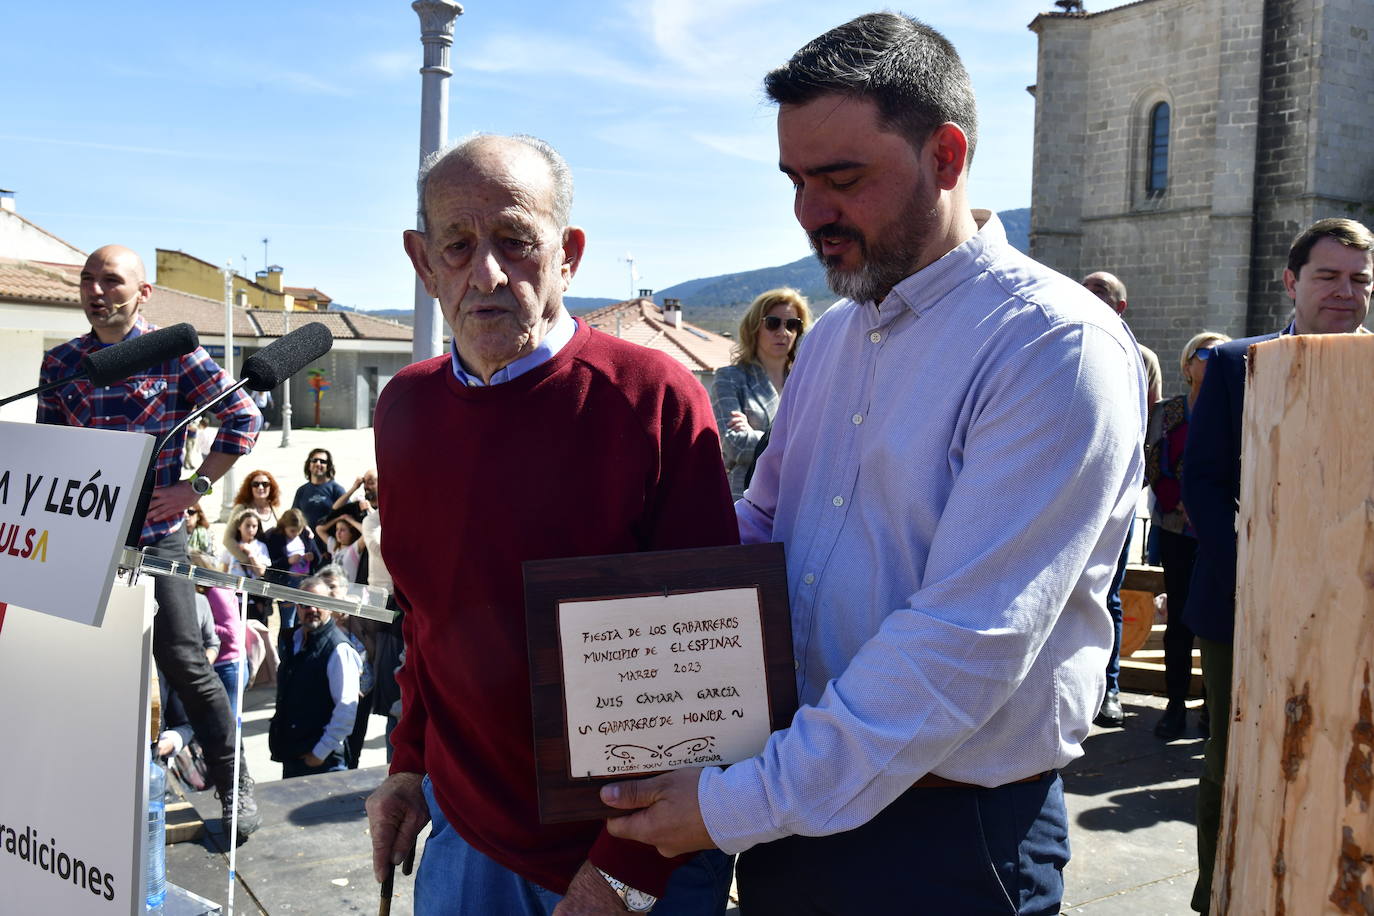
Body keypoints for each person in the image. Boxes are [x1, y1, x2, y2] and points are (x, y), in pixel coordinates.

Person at [598, 16, 1145, 915]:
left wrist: (738, 801)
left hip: (947, 843)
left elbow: (962, 648)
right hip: (795, 816)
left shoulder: (1053, 347)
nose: (810, 211)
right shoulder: (836, 336)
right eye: (797, 181)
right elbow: (763, 529)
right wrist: (617, 604)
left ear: (948, 154)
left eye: (842, 178)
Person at [364, 133, 738, 915]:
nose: (487, 273)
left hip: (633, 866)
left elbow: (705, 674)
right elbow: (429, 619)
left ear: (567, 252)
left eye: (515, 241)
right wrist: (408, 763)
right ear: (423, 263)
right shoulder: (404, 406)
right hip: (465, 845)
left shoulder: (656, 401)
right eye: (458, 246)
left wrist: (623, 874)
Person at [36, 244, 262, 841]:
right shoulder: (61, 363)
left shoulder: (177, 353)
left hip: (159, 542)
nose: (96, 290)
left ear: (143, 293)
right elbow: (50, 454)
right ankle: (87, 785)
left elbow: (244, 417)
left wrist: (195, 488)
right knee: (83, 666)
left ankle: (233, 783)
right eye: (87, 280)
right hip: (88, 542)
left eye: (111, 280)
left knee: (185, 662)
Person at [1182, 217, 1372, 913]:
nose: (1345, 293)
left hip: (1360, 609)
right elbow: (1201, 480)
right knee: (1236, 762)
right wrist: (1264, 572)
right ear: (1292, 282)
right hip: (1244, 606)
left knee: (1353, 752)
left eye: (1360, 280)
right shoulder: (1237, 364)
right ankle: (1219, 897)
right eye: (1328, 276)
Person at [1080, 269, 1160, 728]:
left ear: (1120, 306)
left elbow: (1148, 425)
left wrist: (1131, 484)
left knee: (1107, 591)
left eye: (1100, 292)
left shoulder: (1141, 356)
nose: (1088, 297)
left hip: (1115, 494)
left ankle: (1109, 687)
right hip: (1070, 489)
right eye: (1084, 289)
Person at [1145, 330, 1230, 740]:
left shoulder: (1239, 408)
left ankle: (1214, 708)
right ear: (1187, 363)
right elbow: (1153, 466)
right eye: (1204, 353)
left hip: (1220, 531)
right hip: (1177, 527)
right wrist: (1180, 501)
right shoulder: (1168, 412)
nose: (1212, 360)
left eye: (1220, 354)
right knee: (1179, 618)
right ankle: (1175, 704)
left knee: (1219, 618)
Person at [712, 288, 813, 500]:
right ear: (755, 327)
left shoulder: (807, 381)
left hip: (794, 499)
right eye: (773, 323)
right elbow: (734, 445)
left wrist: (754, 435)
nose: (783, 332)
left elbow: (817, 445)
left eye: (792, 324)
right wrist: (796, 445)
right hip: (744, 499)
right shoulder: (730, 378)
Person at [268, 574, 362, 779]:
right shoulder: (292, 640)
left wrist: (319, 753)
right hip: (294, 755)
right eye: (304, 604)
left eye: (317, 603)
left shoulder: (339, 649)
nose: (311, 609)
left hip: (323, 763)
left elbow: (346, 709)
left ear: (329, 606)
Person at [292, 448, 346, 530]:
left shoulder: (336, 489)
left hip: (330, 540)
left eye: (323, 461)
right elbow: (294, 517)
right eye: (314, 460)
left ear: (328, 466)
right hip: (307, 541)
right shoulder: (301, 491)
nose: (318, 464)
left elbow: (347, 515)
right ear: (309, 465)